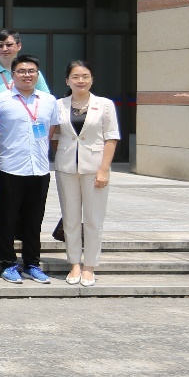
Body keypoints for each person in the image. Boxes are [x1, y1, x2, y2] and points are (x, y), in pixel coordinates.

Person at [0, 54, 59, 285]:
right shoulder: (0, 100)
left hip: (39, 169)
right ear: (13, 75)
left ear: (37, 74)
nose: (26, 75)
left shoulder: (49, 100)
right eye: (21, 71)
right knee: (7, 219)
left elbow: (51, 131)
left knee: (34, 220)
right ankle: (8, 263)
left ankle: (32, 264)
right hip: (10, 168)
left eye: (31, 71)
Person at [53, 61, 120, 288]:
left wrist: (104, 169)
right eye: (75, 76)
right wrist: (63, 156)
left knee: (93, 219)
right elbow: (55, 136)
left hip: (94, 168)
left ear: (92, 79)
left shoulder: (104, 105)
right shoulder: (59, 105)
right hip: (66, 168)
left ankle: (89, 265)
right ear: (67, 80)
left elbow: (111, 137)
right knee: (70, 218)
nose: (80, 80)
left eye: (85, 76)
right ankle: (74, 263)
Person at [0, 29, 51, 100]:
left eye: (9, 45)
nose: (4, 49)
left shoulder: (31, 72)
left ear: (19, 46)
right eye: (0, 45)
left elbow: (46, 98)